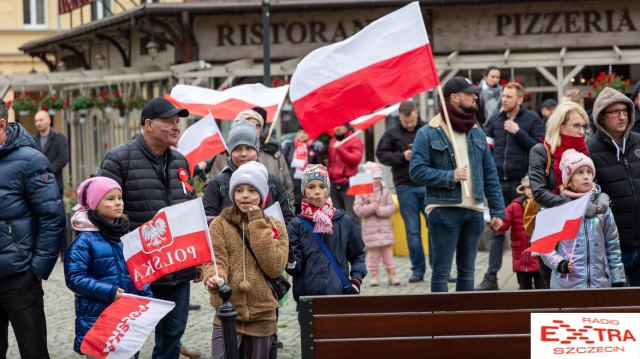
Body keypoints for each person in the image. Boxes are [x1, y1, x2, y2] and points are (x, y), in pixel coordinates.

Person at [99, 97, 202, 359]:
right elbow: (102, 213)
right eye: (169, 122)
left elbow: (188, 207)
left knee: (171, 337)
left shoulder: (180, 161)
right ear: (148, 124)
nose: (176, 127)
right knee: (129, 339)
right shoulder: (118, 159)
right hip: (136, 268)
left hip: (176, 266)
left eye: (177, 122)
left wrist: (198, 258)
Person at [409, 76, 505, 293]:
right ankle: (440, 323)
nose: (475, 96)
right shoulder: (428, 132)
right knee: (442, 271)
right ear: (454, 97)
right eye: (470, 93)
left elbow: (490, 174)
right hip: (443, 210)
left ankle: (465, 321)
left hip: (474, 210)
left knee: (468, 272)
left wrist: (498, 211)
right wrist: (449, 176)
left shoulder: (477, 132)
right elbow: (416, 171)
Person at [0, 99, 66, 358]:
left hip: (20, 278)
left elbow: (52, 217)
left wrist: (36, 270)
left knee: (33, 351)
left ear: (1, 124)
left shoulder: (31, 160)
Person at [204, 162, 288, 359]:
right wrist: (214, 277)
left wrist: (258, 224)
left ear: (262, 195)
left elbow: (274, 267)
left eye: (252, 190)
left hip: (262, 312)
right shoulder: (219, 225)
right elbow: (216, 259)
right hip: (228, 310)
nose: (245, 195)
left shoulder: (275, 226)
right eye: (239, 190)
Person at [64, 176, 153, 357]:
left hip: (127, 316)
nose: (118, 203)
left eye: (119, 198)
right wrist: (109, 291)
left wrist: (145, 295)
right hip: (98, 318)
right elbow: (75, 278)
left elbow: (140, 269)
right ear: (95, 204)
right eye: (110, 199)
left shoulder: (127, 234)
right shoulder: (84, 241)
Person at [529, 101, 609, 289]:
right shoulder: (541, 151)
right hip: (551, 229)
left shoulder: (584, 151)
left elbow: (590, 184)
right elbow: (539, 192)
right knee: (552, 288)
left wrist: (601, 196)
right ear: (560, 125)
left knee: (583, 283)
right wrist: (575, 207)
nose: (581, 131)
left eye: (584, 126)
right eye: (576, 125)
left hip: (580, 231)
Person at [477, 82, 545, 291]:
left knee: (529, 232)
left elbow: (539, 149)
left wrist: (518, 132)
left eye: (508, 96)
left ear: (519, 100)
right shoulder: (496, 120)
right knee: (497, 229)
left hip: (523, 186)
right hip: (498, 183)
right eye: (503, 96)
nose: (503, 99)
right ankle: (491, 277)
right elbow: (486, 150)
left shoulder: (532, 119)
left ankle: (535, 275)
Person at [286, 164, 366, 319]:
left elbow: (357, 255)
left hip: (339, 295)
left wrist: (355, 281)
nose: (317, 192)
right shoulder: (297, 225)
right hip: (307, 298)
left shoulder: (344, 221)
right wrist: (289, 260)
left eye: (322, 186)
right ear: (304, 190)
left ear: (328, 189)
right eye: (311, 187)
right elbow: (296, 267)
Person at [540, 149, 625, 289]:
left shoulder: (602, 209)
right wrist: (559, 263)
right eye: (580, 173)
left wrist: (618, 278)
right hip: (567, 283)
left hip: (600, 283)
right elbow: (544, 245)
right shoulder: (559, 208)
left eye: (589, 172)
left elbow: (613, 245)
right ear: (569, 178)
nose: (586, 177)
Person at [587, 87, 640, 286]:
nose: (622, 116)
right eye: (615, 112)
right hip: (615, 247)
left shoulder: (638, 142)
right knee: (617, 307)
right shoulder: (590, 151)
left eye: (625, 111)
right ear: (601, 117)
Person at [375, 100, 430, 283]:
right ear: (400, 117)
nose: (410, 125)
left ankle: (441, 269)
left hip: (428, 184)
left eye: (412, 121)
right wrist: (401, 157)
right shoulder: (391, 133)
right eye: (406, 122)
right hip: (405, 186)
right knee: (413, 231)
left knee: (435, 228)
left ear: (417, 113)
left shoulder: (427, 128)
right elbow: (381, 154)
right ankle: (418, 270)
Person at [203, 119, 293, 223]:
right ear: (230, 152)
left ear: (257, 150)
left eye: (249, 148)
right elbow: (208, 219)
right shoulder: (218, 182)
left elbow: (287, 218)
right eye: (237, 149)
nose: (243, 154)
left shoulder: (273, 181)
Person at [353, 162, 399, 286]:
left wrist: (381, 211)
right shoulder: (362, 192)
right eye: (374, 178)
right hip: (370, 230)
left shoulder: (386, 191)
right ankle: (374, 275)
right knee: (372, 255)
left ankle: (391, 273)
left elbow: (392, 207)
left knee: (387, 254)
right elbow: (357, 209)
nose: (377, 181)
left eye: (379, 178)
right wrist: (372, 207)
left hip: (385, 230)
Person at [33, 109, 71, 258]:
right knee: (38, 219)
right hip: (36, 186)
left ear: (49, 120)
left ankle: (63, 250)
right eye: (36, 121)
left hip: (55, 185)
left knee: (58, 217)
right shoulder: (32, 140)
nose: (38, 123)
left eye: (41, 120)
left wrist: (46, 173)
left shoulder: (59, 138)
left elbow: (63, 158)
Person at [494, 176, 543, 290]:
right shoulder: (515, 205)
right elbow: (505, 220)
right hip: (521, 255)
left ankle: (541, 306)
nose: (531, 190)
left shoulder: (543, 205)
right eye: (528, 187)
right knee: (523, 287)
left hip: (539, 255)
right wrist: (499, 223)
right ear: (523, 189)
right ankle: (525, 307)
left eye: (534, 187)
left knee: (542, 287)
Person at [328, 124, 364, 233]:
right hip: (334, 183)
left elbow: (356, 160)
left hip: (348, 184)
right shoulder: (333, 141)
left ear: (347, 127)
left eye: (341, 125)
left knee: (352, 217)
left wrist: (341, 149)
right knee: (336, 217)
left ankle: (356, 246)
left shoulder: (355, 140)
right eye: (336, 125)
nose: (337, 127)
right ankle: (341, 246)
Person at [281, 127, 325, 215]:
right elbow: (284, 164)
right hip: (292, 184)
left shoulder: (314, 148)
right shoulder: (289, 146)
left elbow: (319, 167)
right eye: (300, 132)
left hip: (307, 185)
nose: (301, 135)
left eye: (304, 133)